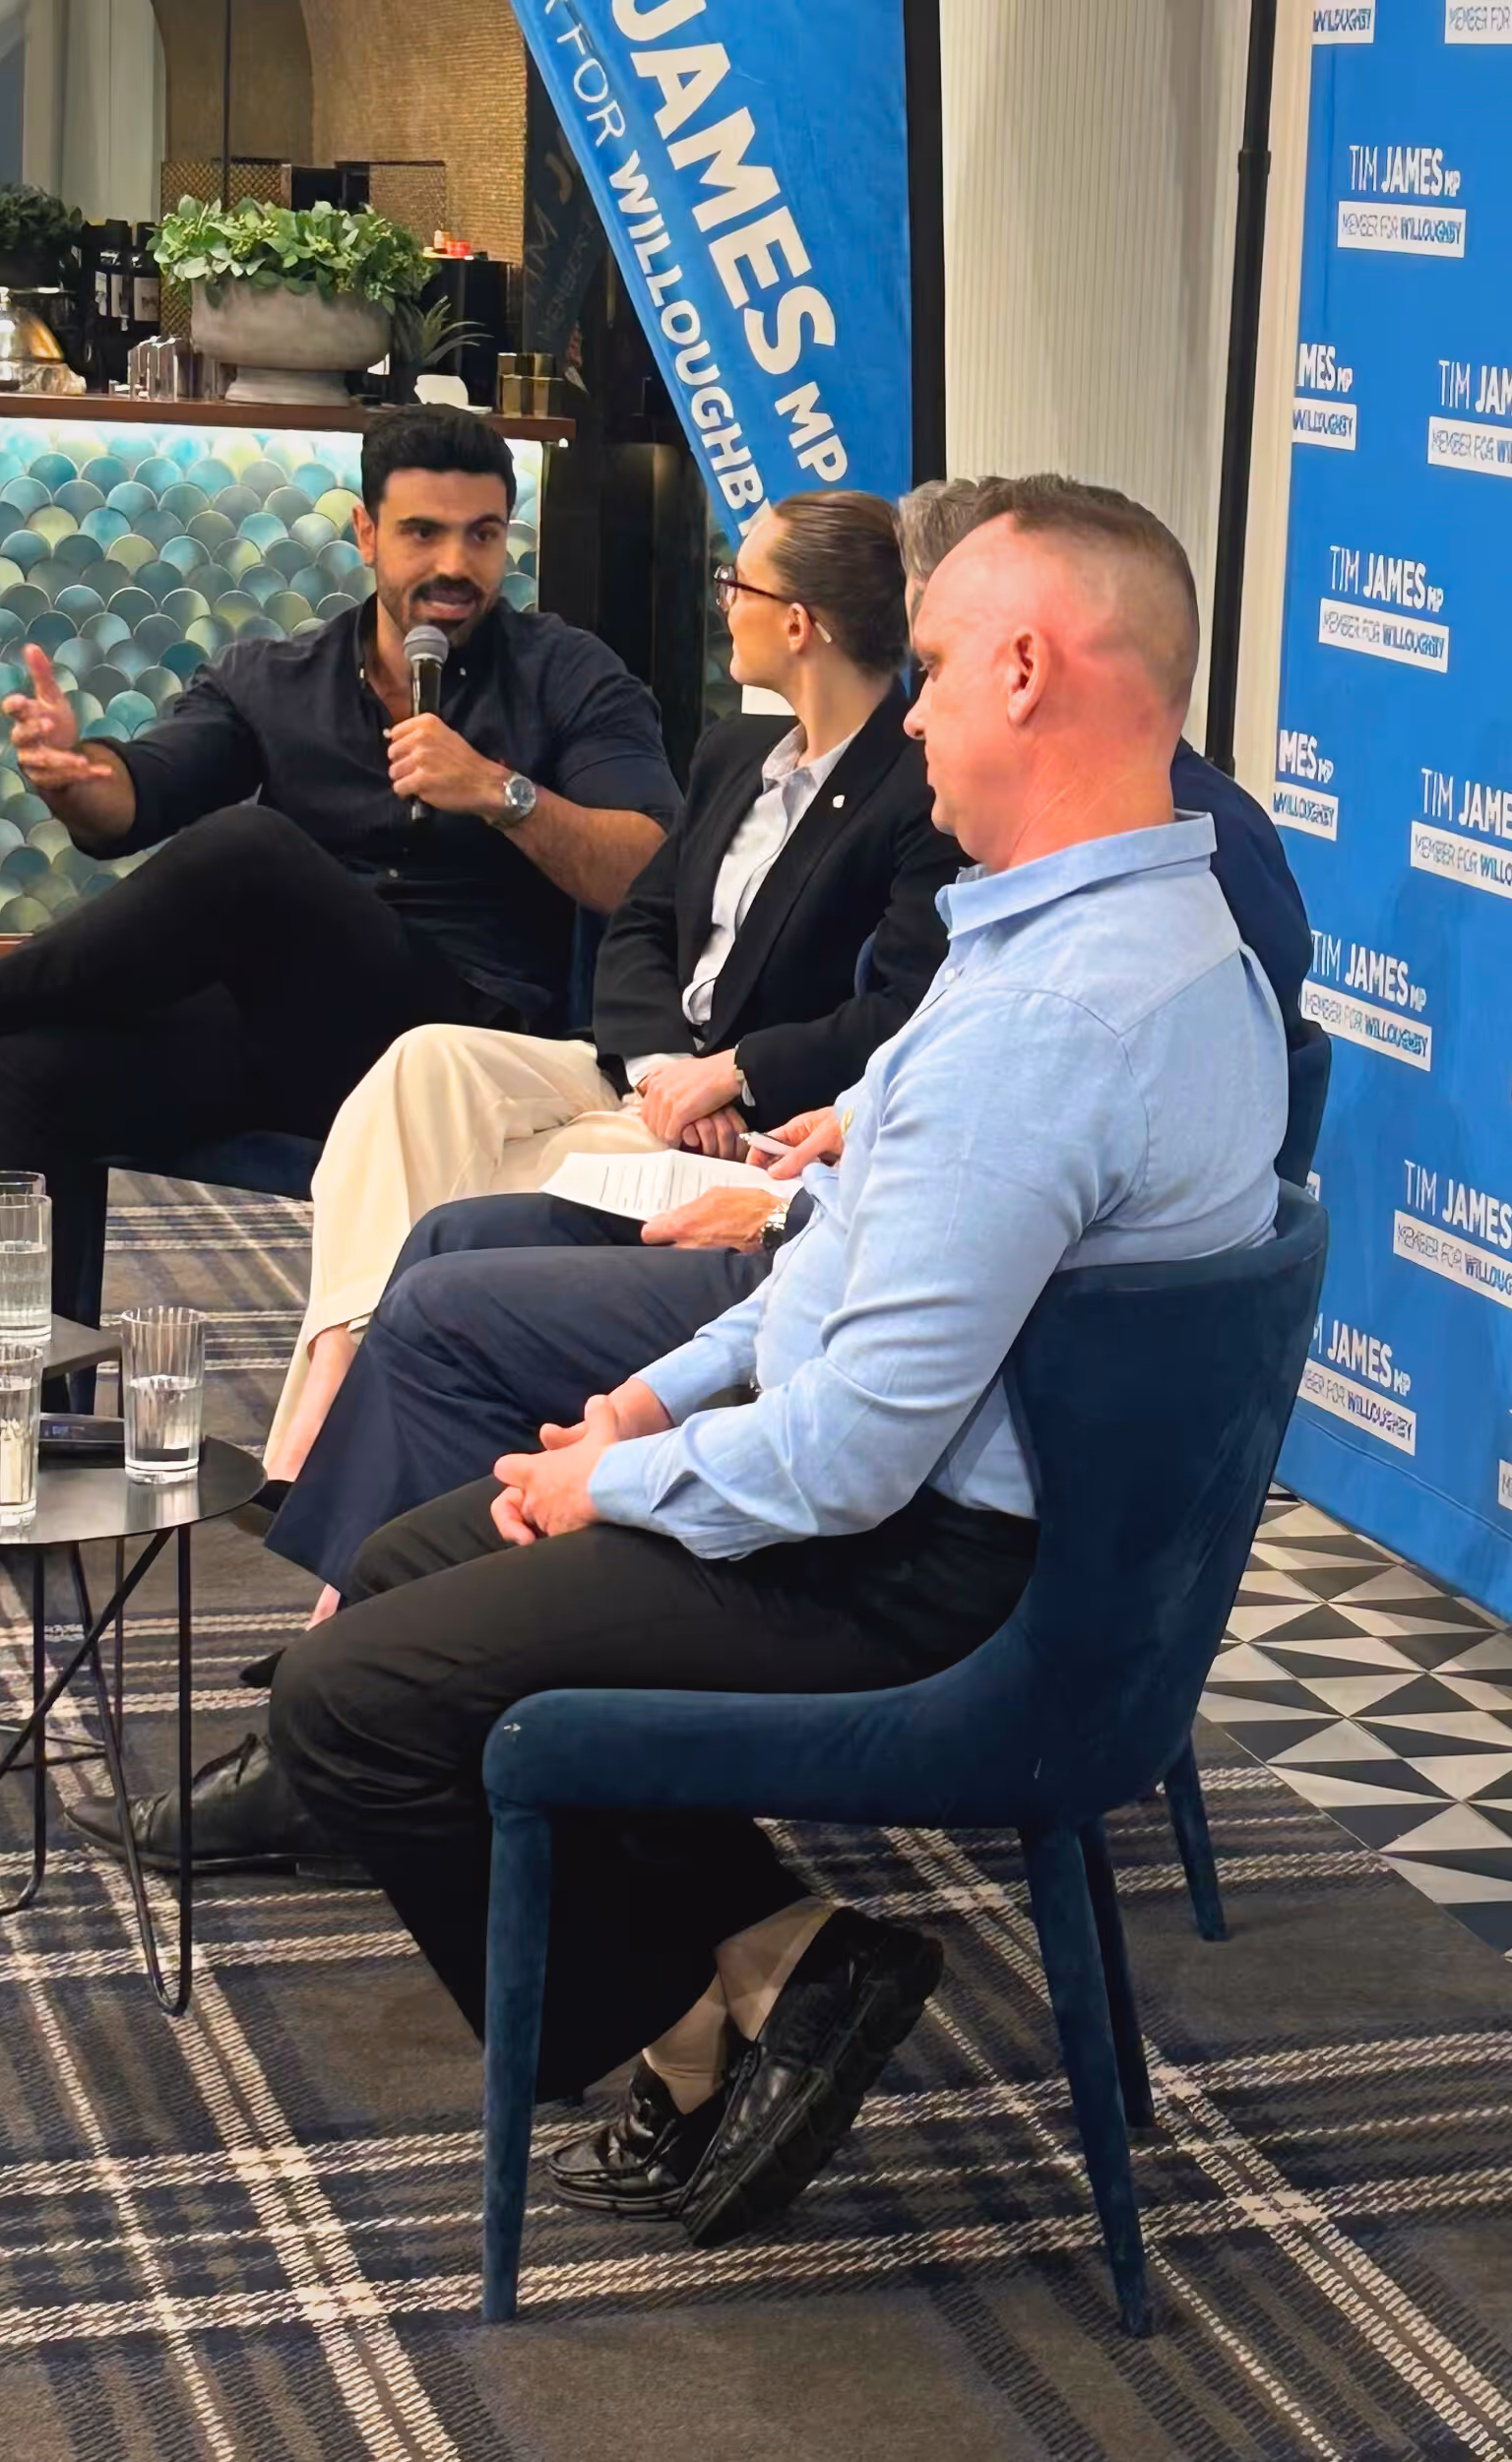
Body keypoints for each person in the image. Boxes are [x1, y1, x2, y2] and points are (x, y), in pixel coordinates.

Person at [259, 476, 1288, 2250]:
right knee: (424, 1558)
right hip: (1002, 1543)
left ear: (1027, 673)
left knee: (349, 1703)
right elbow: (844, 1262)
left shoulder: (1047, 1017)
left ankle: (686, 2030)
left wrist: (613, 1480)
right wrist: (651, 1400)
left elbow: (851, 1459)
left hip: (941, 1588)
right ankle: (784, 1957)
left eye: (939, 668)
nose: (917, 713)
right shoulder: (1132, 941)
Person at [0, 405, 677, 1585]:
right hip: (293, 1042)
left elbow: (651, 867)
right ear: (364, 533)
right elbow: (141, 796)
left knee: (251, 854)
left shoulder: (571, 676)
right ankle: (9, 1458)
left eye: (482, 535)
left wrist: (502, 793)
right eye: (423, 533)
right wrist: (78, 776)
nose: (454, 565)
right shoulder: (277, 676)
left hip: (462, 1051)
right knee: (32, 1072)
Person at [257, 490, 960, 1487]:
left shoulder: (916, 790)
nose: (725, 602)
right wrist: (666, 1066)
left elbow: (902, 1012)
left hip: (752, 1124)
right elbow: (639, 922)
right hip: (647, 1073)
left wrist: (733, 1074)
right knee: (425, 1066)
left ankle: (338, 1443)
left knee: (454, 1183)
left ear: (800, 624)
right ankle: (338, 1371)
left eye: (739, 584)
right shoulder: (732, 754)